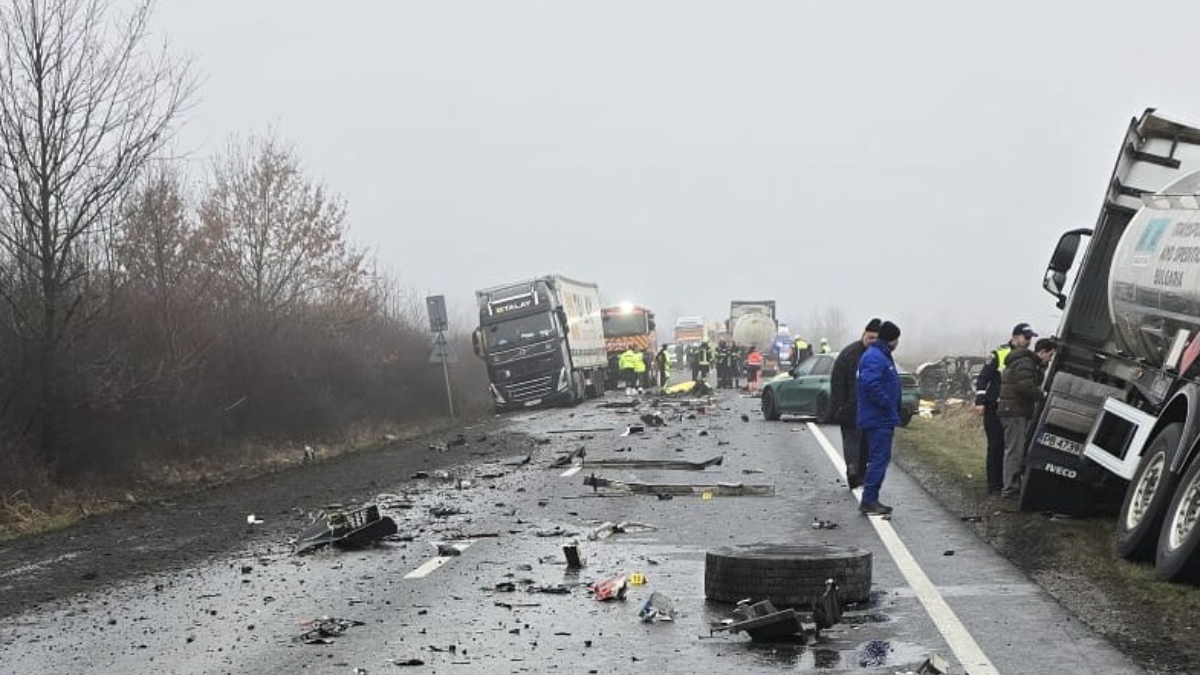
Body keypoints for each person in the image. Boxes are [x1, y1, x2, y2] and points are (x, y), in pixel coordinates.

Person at [974, 323, 1037, 495]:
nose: (1029, 341)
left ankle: (1006, 483)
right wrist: (980, 401)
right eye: (1026, 337)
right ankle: (994, 485)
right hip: (994, 406)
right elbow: (983, 379)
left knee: (1010, 447)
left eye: (1030, 338)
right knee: (996, 445)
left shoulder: (1027, 358)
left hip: (1011, 409)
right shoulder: (999, 354)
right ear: (1015, 337)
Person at [997, 337, 1056, 497]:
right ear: (1042, 352)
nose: (1050, 360)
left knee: (1015, 449)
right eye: (1050, 356)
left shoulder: (1027, 363)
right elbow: (1025, 387)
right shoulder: (1026, 363)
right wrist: (1042, 395)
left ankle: (1012, 485)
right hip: (1015, 411)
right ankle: (1009, 488)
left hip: (1012, 409)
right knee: (1014, 450)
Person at [830, 318, 882, 489]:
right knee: (852, 442)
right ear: (864, 335)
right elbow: (837, 382)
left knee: (866, 444)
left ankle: (861, 474)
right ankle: (852, 472)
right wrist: (839, 405)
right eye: (870, 338)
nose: (873, 342)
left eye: (876, 339)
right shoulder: (849, 355)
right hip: (850, 408)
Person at [857, 320, 902, 516]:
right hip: (877, 417)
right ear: (891, 339)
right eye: (897, 339)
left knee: (879, 458)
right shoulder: (876, 357)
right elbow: (871, 384)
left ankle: (871, 498)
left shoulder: (881, 355)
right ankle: (869, 500)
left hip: (881, 417)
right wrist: (887, 403)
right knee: (878, 459)